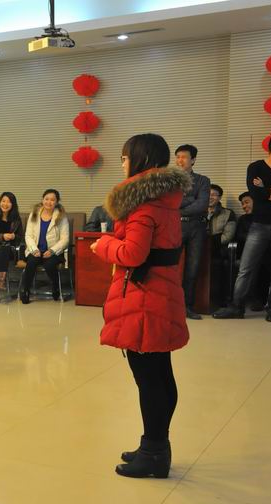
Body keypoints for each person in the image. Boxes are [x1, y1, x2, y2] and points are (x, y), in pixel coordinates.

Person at [91, 133, 191, 479]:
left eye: (124, 158)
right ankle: (155, 445)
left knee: (150, 379)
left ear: (140, 159)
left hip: (145, 298)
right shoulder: (164, 199)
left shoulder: (143, 203)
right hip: (159, 294)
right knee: (160, 373)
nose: (122, 164)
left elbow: (133, 253)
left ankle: (153, 453)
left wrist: (104, 244)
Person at [214, 134, 271, 322]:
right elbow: (255, 194)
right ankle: (236, 307)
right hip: (259, 225)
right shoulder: (256, 167)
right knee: (246, 268)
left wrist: (266, 190)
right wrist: (265, 192)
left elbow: (262, 193)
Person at [174, 144, 211, 320]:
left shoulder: (203, 180)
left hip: (197, 227)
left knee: (192, 268)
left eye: (184, 157)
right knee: (170, 266)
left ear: (193, 160)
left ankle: (187, 306)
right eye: (177, 157)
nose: (179, 160)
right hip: (175, 226)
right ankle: (170, 305)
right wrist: (190, 199)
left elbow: (202, 204)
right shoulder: (170, 180)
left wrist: (180, 206)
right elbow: (170, 203)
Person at [19, 189, 70, 304]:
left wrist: (52, 250)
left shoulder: (61, 216)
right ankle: (25, 290)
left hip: (53, 252)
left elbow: (65, 239)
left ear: (57, 202)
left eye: (52, 200)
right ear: (42, 200)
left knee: (49, 265)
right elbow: (28, 235)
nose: (49, 202)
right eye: (46, 199)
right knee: (31, 262)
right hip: (36, 250)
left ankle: (55, 286)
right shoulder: (34, 214)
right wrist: (34, 249)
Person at [207, 184, 236, 249]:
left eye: (214, 195)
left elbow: (227, 237)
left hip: (219, 250)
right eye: (208, 194)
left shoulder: (228, 213)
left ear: (220, 197)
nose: (210, 197)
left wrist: (208, 243)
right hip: (198, 250)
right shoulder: (197, 213)